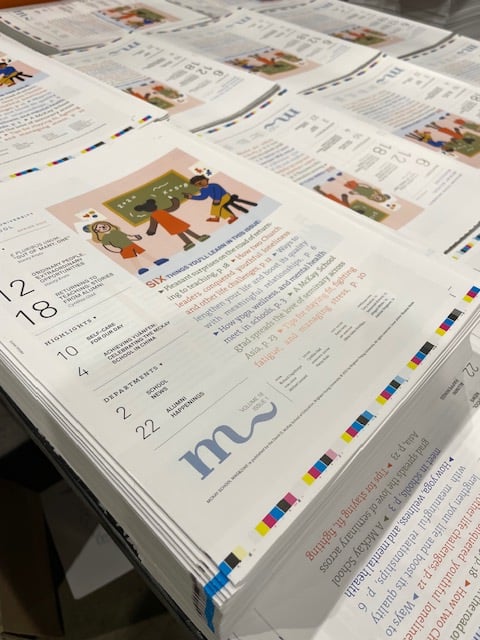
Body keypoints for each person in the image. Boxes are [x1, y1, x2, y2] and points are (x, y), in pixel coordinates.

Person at [134, 196, 209, 251]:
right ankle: (198, 238)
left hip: (171, 226)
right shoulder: (162, 211)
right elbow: (174, 207)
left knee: (181, 233)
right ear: (155, 206)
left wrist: (151, 231)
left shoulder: (153, 216)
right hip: (176, 223)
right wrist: (174, 199)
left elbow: (153, 225)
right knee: (186, 231)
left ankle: (189, 242)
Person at [184, 175, 257, 223]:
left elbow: (218, 192)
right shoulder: (203, 190)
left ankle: (229, 217)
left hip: (225, 196)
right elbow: (203, 197)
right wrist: (192, 197)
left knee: (217, 206)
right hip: (217, 200)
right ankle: (221, 217)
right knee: (216, 207)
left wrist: (217, 199)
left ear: (206, 179)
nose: (200, 185)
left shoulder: (214, 185)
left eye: (200, 182)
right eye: (197, 184)